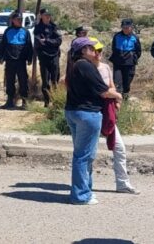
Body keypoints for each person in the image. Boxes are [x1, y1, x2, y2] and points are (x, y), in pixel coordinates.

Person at [64, 37, 123, 205]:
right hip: (87, 114)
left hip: (73, 111)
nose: (94, 51)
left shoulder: (73, 65)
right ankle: (81, 195)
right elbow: (104, 91)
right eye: (91, 48)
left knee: (81, 154)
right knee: (84, 156)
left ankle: (85, 190)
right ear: (83, 50)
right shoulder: (85, 65)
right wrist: (118, 95)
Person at [92, 39, 139, 194]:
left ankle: (122, 183)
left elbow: (110, 86)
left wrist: (115, 99)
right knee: (88, 152)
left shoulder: (105, 67)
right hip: (91, 113)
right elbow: (102, 91)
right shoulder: (85, 69)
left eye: (100, 51)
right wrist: (116, 95)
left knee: (119, 148)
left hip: (107, 113)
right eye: (94, 51)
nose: (97, 54)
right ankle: (83, 185)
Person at [0, 11, 33, 109]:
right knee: (9, 81)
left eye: (21, 19)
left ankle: (24, 102)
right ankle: (10, 101)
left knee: (23, 81)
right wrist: (1, 57)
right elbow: (3, 45)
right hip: (10, 60)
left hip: (21, 61)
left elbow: (29, 46)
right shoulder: (8, 31)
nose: (20, 21)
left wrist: (29, 58)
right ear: (13, 20)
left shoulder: (25, 31)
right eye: (18, 19)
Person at [34, 8, 63, 107]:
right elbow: (39, 42)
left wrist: (47, 41)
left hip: (54, 56)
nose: (48, 17)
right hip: (43, 57)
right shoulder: (38, 28)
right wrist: (49, 42)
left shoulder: (54, 27)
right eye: (46, 15)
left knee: (55, 80)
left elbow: (58, 41)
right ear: (41, 16)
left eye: (49, 15)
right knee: (45, 81)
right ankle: (46, 102)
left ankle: (55, 102)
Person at [110, 18, 142, 98]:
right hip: (118, 62)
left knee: (127, 81)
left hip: (129, 63)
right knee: (117, 81)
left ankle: (125, 96)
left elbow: (138, 51)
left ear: (131, 27)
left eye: (127, 27)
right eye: (123, 27)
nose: (125, 29)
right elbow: (113, 48)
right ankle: (118, 99)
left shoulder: (135, 37)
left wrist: (133, 57)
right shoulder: (117, 36)